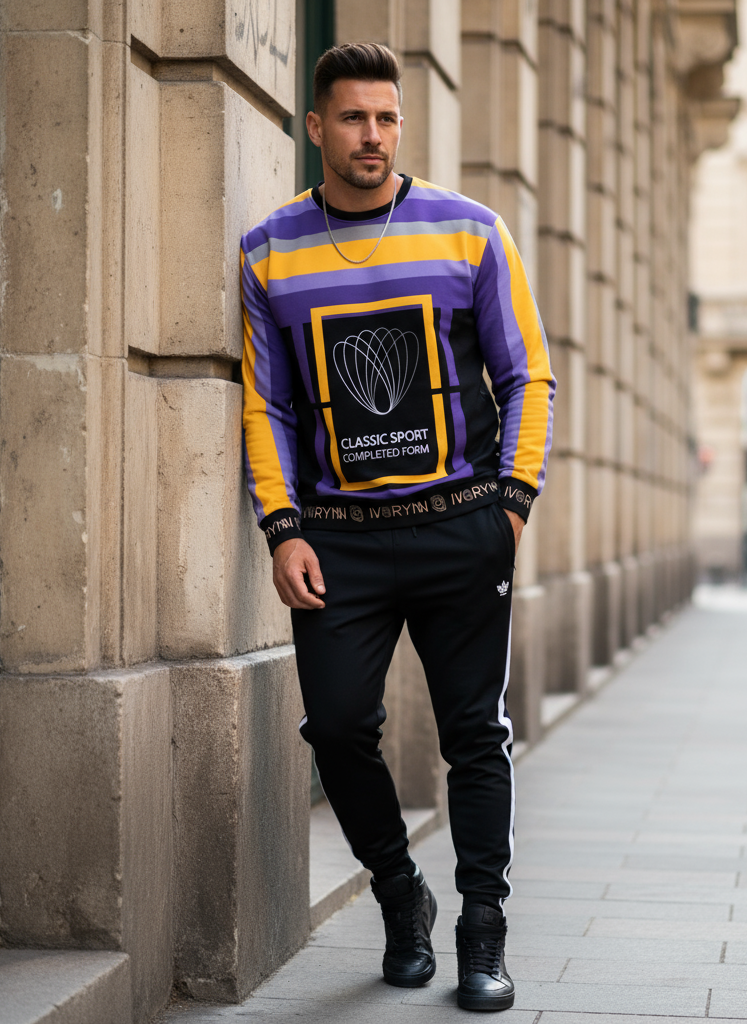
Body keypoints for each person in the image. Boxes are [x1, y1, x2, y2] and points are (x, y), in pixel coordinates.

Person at [240, 42, 554, 1012]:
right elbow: (267, 404)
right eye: (352, 118)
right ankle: (397, 891)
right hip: (336, 540)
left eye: (385, 118)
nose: (371, 136)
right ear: (315, 127)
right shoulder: (268, 250)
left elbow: (526, 373)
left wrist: (511, 505)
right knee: (337, 726)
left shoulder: (471, 232)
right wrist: (282, 527)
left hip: (461, 527)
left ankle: (482, 933)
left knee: (474, 736)